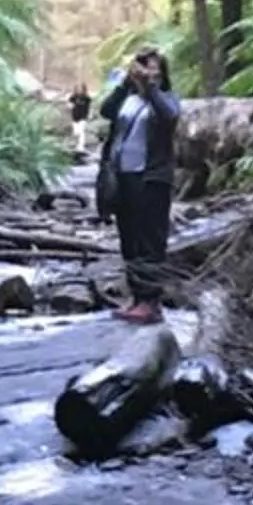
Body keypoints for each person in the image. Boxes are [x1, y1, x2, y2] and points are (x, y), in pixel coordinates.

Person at [94, 47, 181, 323]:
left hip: (152, 179)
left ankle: (151, 301)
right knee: (129, 238)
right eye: (144, 67)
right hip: (123, 178)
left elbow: (169, 118)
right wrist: (125, 83)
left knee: (150, 240)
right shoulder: (128, 99)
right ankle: (136, 297)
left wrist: (150, 87)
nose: (149, 72)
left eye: (154, 67)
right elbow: (106, 110)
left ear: (163, 73)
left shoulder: (166, 99)